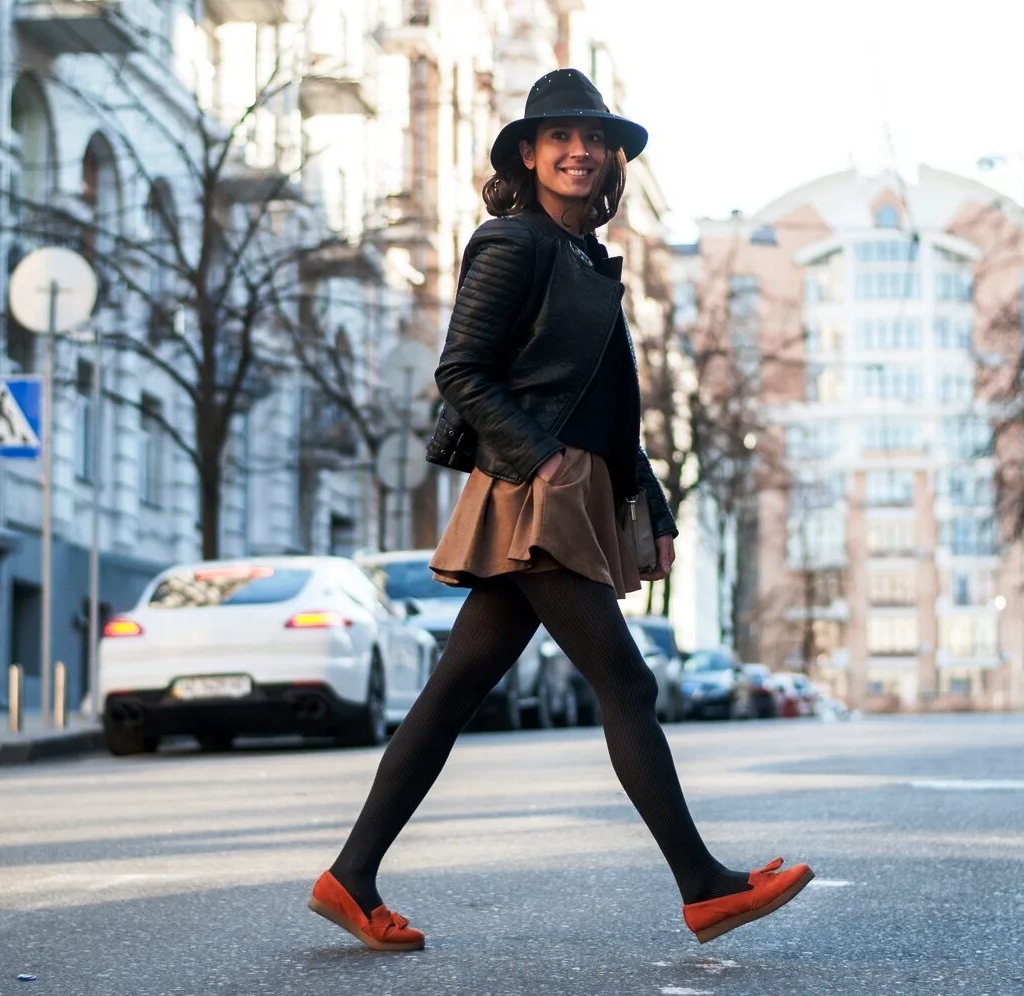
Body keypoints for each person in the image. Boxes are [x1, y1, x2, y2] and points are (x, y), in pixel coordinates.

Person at [308, 68, 813, 953]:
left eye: (594, 139)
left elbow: (609, 408)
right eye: (560, 139)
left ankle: (351, 876)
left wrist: (648, 504)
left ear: (611, 157)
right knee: (627, 681)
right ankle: (702, 886)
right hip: (534, 488)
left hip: (567, 483)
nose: (579, 151)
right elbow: (461, 372)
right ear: (531, 156)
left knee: (456, 687)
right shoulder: (514, 243)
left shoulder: (585, 259)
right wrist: (541, 464)